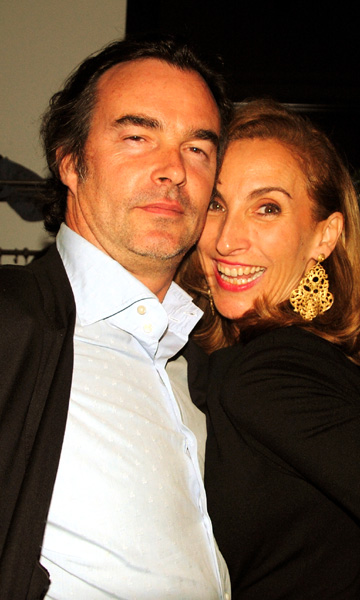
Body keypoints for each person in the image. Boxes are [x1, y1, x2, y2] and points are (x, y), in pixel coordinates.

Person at [0, 35, 233, 599]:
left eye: (197, 148)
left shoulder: (208, 361)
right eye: (137, 137)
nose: (173, 170)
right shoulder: (9, 326)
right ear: (70, 162)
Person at [177, 98, 360, 598]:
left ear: (325, 236)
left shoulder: (268, 373)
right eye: (217, 204)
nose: (227, 240)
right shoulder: (291, 354)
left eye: (267, 208)